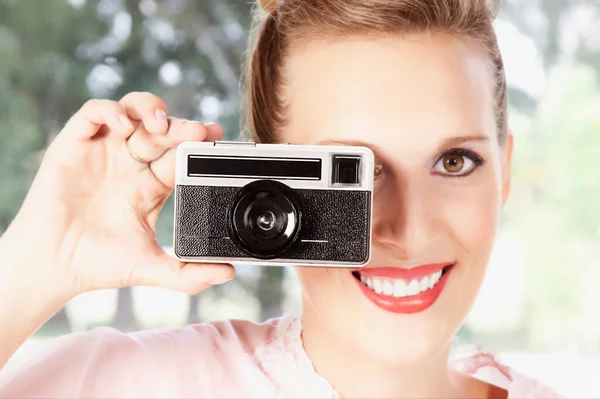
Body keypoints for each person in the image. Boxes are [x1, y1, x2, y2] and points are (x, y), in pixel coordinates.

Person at [0, 0, 563, 397]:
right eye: (353, 171)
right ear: (267, 180)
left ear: (505, 170)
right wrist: (32, 265)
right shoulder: (133, 386)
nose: (407, 230)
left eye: (455, 161)